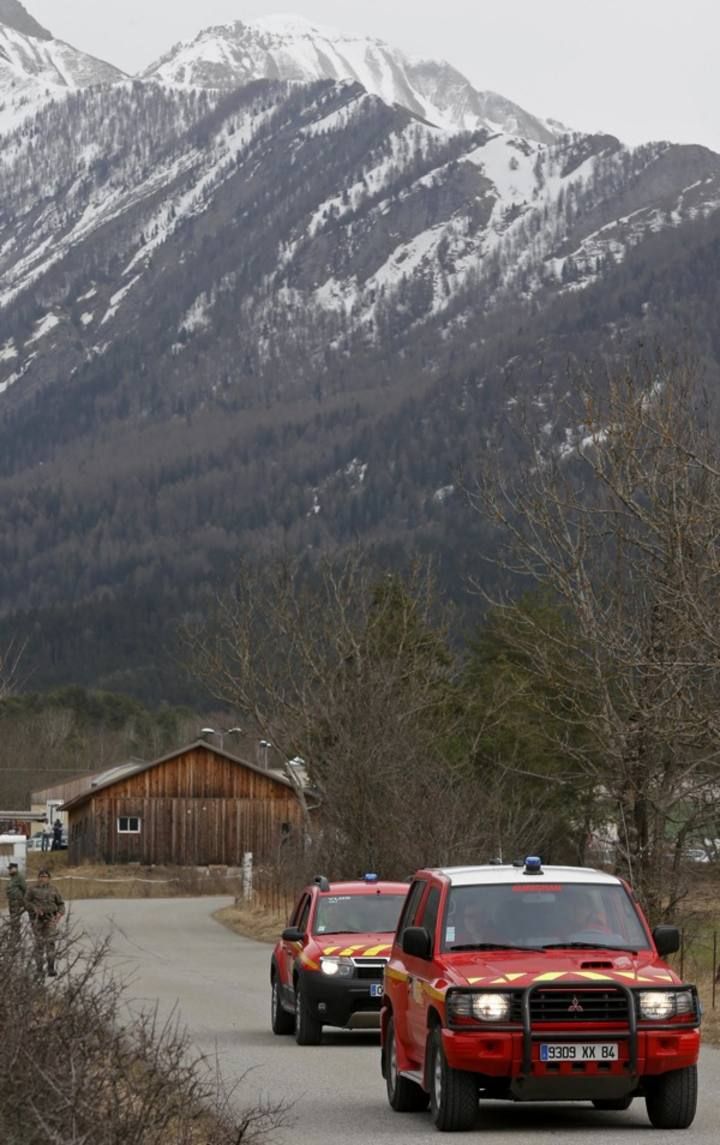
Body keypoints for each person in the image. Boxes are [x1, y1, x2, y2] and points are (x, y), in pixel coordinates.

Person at [25, 869, 65, 977]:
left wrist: (60, 913)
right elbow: (26, 902)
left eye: (45, 876)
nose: (43, 878)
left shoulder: (54, 889)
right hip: (37, 920)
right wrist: (34, 909)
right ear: (38, 878)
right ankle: (39, 970)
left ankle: (51, 968)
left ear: (49, 878)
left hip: (50, 920)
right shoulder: (32, 889)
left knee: (50, 943)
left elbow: (61, 904)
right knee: (39, 944)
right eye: (41, 876)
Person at [5, 861, 26, 938]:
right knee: (13, 919)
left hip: (17, 902)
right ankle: (14, 934)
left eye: (11, 868)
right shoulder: (12, 878)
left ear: (16, 869)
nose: (9, 870)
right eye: (9, 869)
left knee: (15, 919)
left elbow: (25, 889)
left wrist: (23, 902)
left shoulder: (19, 877)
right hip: (12, 902)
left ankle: (16, 936)